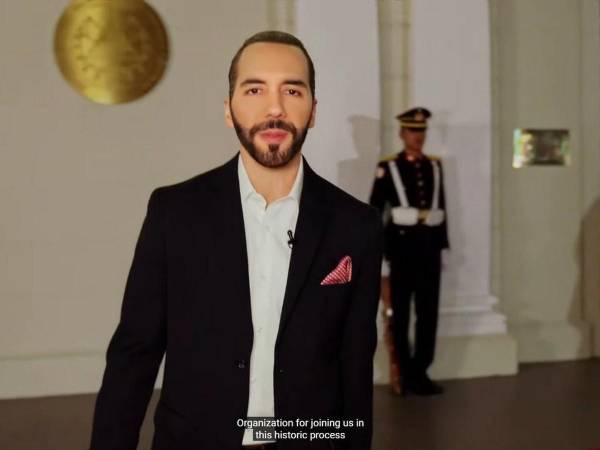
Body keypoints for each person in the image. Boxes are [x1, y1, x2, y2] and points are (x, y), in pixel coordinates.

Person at [89, 31, 383, 450]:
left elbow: (355, 368)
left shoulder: (358, 225)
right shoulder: (174, 213)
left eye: (292, 90)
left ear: (313, 111)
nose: (275, 108)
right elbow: (133, 355)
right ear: (229, 110)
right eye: (255, 89)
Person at [369, 107, 449, 396]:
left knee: (429, 313)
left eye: (422, 131)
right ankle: (402, 371)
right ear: (402, 133)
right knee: (400, 314)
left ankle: (421, 371)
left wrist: (442, 243)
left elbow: (442, 206)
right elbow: (375, 210)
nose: (419, 136)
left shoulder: (434, 165)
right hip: (401, 250)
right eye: (413, 131)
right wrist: (377, 250)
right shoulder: (389, 167)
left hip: (429, 250)